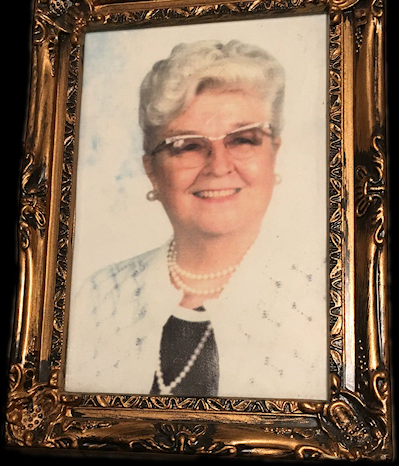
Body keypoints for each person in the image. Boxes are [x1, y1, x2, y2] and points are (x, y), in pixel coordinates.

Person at [65, 40, 327, 400]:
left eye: (243, 140)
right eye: (187, 145)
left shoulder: (323, 296)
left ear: (273, 156)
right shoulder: (98, 297)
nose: (219, 166)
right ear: (153, 171)